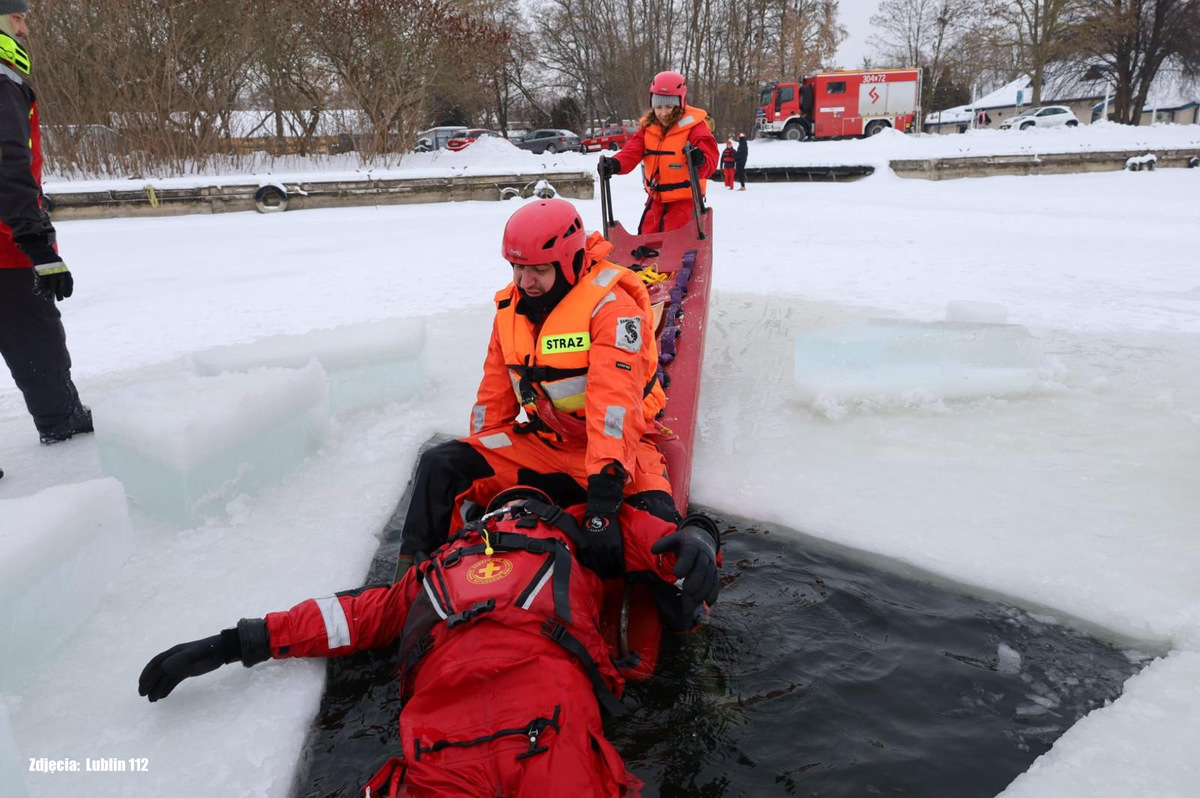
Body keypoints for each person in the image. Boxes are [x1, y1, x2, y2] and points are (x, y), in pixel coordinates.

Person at [139, 489, 721, 797]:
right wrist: (236, 642)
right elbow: (347, 617)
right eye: (504, 507)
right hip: (471, 733)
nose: (512, 514)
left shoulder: (574, 534)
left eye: (521, 506)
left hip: (530, 716)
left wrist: (698, 536)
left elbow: (656, 540)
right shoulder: (433, 572)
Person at [396, 199, 675, 582]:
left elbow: (615, 410)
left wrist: (603, 504)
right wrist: (481, 478)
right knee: (440, 465)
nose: (526, 281)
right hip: (544, 446)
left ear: (572, 262)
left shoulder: (612, 311)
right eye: (518, 268)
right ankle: (411, 585)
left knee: (660, 533)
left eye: (540, 270)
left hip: (619, 452)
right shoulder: (510, 310)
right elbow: (492, 401)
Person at [0, 2, 92, 445]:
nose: (25, 27)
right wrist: (39, 246)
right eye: (17, 17)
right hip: (7, 248)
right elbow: (7, 167)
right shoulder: (4, 81)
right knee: (36, 341)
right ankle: (64, 425)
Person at [598, 70, 718, 234]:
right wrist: (615, 164)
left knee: (675, 246)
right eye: (658, 107)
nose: (663, 113)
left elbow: (710, 160)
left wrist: (701, 160)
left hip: (685, 201)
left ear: (680, 104)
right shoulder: (649, 127)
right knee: (646, 243)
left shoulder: (695, 126)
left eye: (669, 107)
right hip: (656, 200)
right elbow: (632, 150)